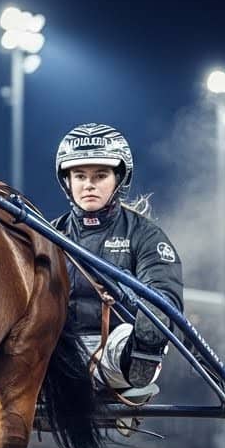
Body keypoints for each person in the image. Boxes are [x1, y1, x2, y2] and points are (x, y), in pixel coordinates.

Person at [52, 123, 184, 397]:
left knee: (151, 322)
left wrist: (148, 329)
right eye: (79, 176)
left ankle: (137, 364)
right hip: (55, 350)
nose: (88, 184)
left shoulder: (145, 234)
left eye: (100, 175)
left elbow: (166, 293)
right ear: (67, 181)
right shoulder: (48, 234)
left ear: (119, 179)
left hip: (118, 348)